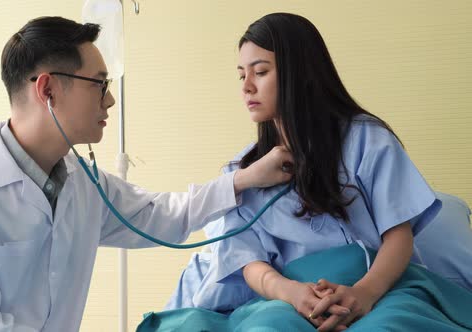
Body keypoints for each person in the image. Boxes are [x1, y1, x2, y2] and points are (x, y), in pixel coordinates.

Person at [0, 16, 294, 331]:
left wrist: (245, 178)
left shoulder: (82, 182)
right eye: (99, 84)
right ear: (48, 91)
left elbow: (162, 216)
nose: (111, 99)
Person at [161, 12, 472, 331]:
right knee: (268, 327)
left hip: (377, 290)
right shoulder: (242, 172)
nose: (247, 87)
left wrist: (363, 294)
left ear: (301, 73)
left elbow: (398, 236)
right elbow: (248, 261)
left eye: (261, 72)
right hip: (284, 298)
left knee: (390, 325)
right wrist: (291, 293)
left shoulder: (368, 139)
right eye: (242, 75)